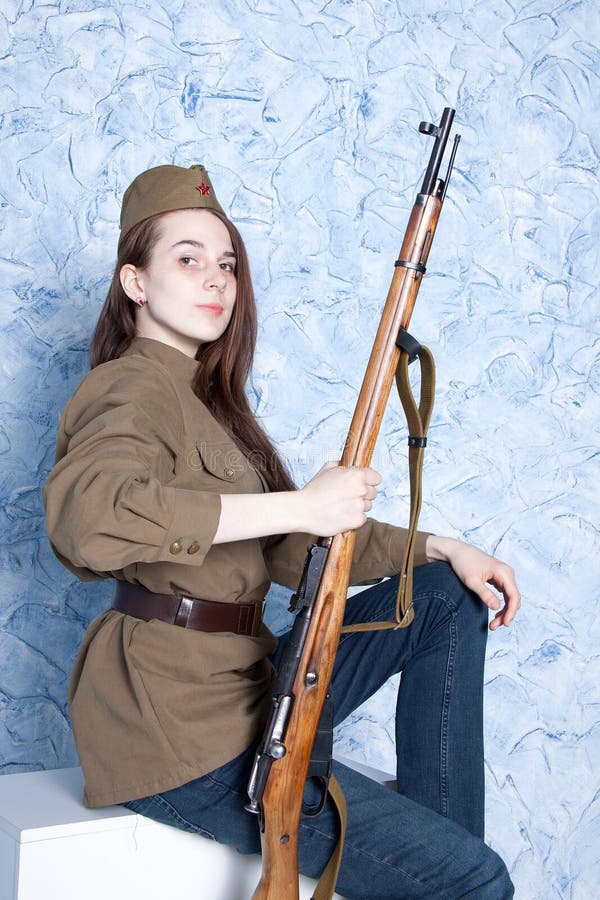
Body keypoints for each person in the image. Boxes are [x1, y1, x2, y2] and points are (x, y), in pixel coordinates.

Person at [43, 163, 520, 899]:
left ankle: (438, 860)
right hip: (177, 728)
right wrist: (302, 506)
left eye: (227, 263)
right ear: (136, 282)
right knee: (474, 879)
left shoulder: (208, 403)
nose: (216, 280)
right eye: (188, 258)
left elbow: (292, 548)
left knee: (444, 597)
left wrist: (438, 548)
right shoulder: (130, 384)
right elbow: (90, 518)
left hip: (253, 685)